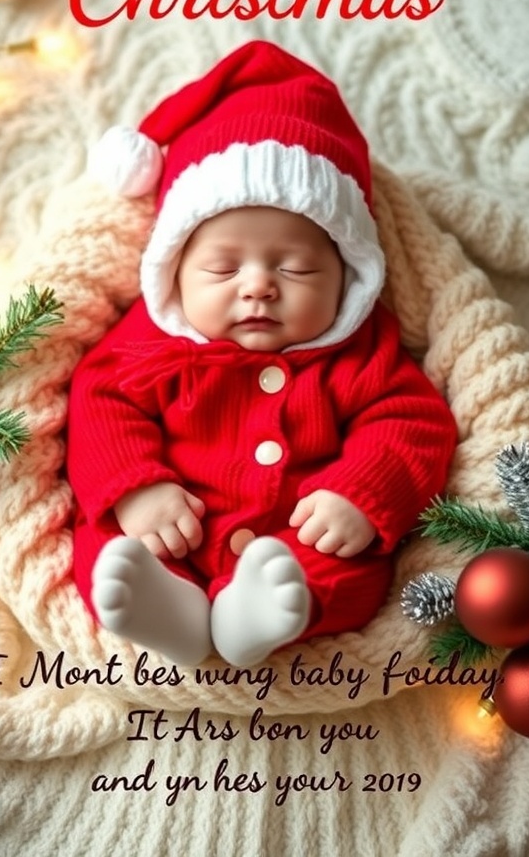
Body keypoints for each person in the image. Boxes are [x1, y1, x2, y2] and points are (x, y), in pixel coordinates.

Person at [67, 40, 458, 668]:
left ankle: (257, 619)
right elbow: (100, 400)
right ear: (172, 269)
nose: (258, 285)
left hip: (298, 537)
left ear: (348, 275)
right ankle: (170, 615)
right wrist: (134, 489)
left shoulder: (358, 354)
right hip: (174, 524)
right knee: (110, 551)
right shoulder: (150, 344)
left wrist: (359, 492)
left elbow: (411, 422)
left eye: (296, 268)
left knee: (346, 572)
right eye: (223, 267)